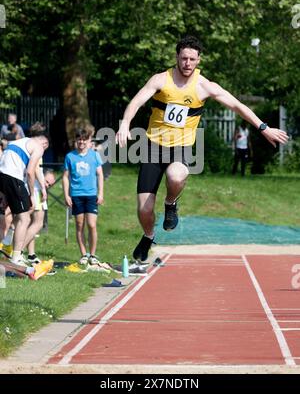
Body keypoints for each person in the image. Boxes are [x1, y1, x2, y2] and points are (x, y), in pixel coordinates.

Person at [115, 35, 289, 262]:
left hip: (181, 148)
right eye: (184, 58)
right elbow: (136, 101)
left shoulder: (204, 86)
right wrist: (125, 124)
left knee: (176, 175)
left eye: (192, 59)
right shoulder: (160, 80)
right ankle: (149, 236)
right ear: (177, 57)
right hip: (152, 147)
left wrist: (263, 127)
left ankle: (170, 203)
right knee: (144, 210)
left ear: (198, 60)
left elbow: (236, 105)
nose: (187, 63)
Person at [0, 131, 50, 265]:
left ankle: (10, 247)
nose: (43, 151)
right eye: (45, 147)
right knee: (25, 218)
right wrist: (32, 195)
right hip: (14, 178)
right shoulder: (38, 147)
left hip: (3, 176)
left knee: (18, 216)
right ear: (44, 143)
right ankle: (16, 256)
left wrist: (5, 194)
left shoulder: (18, 142)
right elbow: (30, 171)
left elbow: (5, 164)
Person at [62, 128, 104, 265]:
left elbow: (100, 175)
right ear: (76, 140)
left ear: (88, 141)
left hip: (91, 194)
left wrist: (101, 193)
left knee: (91, 225)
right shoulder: (70, 157)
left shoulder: (94, 155)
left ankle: (93, 254)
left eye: (84, 139)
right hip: (76, 195)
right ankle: (84, 254)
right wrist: (66, 195)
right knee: (79, 225)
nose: (81, 142)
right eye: (79, 139)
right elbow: (65, 177)